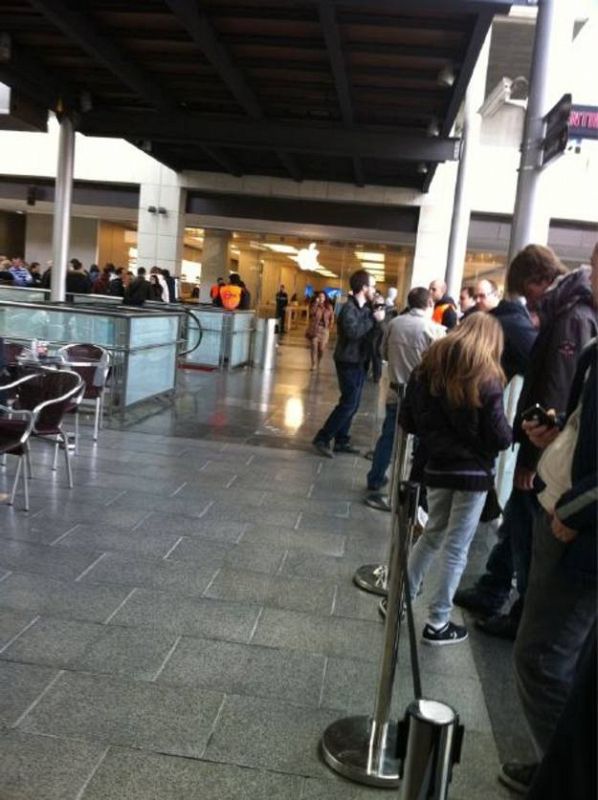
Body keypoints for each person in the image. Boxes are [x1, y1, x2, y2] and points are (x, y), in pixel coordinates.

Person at [455, 245, 597, 639]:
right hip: (545, 442)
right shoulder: (568, 313)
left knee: (526, 532)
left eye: (528, 292)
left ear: (540, 279)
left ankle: (521, 614)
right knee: (517, 526)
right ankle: (496, 590)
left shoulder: (571, 317)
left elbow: (556, 387)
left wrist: (533, 458)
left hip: (546, 449)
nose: (529, 302)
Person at [499, 265, 597, 794]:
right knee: (569, 659)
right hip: (570, 511)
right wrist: (557, 432)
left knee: (540, 658)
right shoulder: (583, 325)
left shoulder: (573, 320)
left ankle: (565, 780)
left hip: (577, 530)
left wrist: (572, 511)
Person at [399, 313, 512, 645]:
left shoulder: (429, 366)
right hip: (473, 475)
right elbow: (500, 436)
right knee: (456, 548)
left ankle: (400, 601)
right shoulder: (487, 376)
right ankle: (438, 621)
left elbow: (410, 418)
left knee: (432, 533)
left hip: (436, 466)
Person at [365, 286, 445, 510]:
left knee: (389, 436)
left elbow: (383, 352)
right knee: (420, 443)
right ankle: (413, 488)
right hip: (423, 397)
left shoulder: (394, 323)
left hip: (395, 389)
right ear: (429, 304)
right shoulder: (434, 330)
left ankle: (375, 477)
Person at [312, 269, 385, 458]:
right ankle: (323, 437)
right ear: (363, 288)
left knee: (354, 403)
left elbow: (374, 334)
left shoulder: (366, 308)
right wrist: (372, 318)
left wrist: (378, 317)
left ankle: (342, 440)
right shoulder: (348, 309)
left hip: (361, 360)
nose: (374, 290)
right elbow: (354, 332)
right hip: (348, 361)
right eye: (372, 286)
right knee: (348, 403)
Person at [306, 291, 334, 370]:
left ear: (325, 298)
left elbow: (332, 317)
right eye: (320, 297)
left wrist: (330, 326)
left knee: (321, 349)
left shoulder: (329, 306)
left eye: (323, 297)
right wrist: (315, 303)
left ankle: (318, 361)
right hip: (315, 328)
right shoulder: (314, 305)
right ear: (317, 298)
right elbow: (311, 313)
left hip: (324, 330)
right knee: (314, 346)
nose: (321, 298)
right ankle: (313, 364)